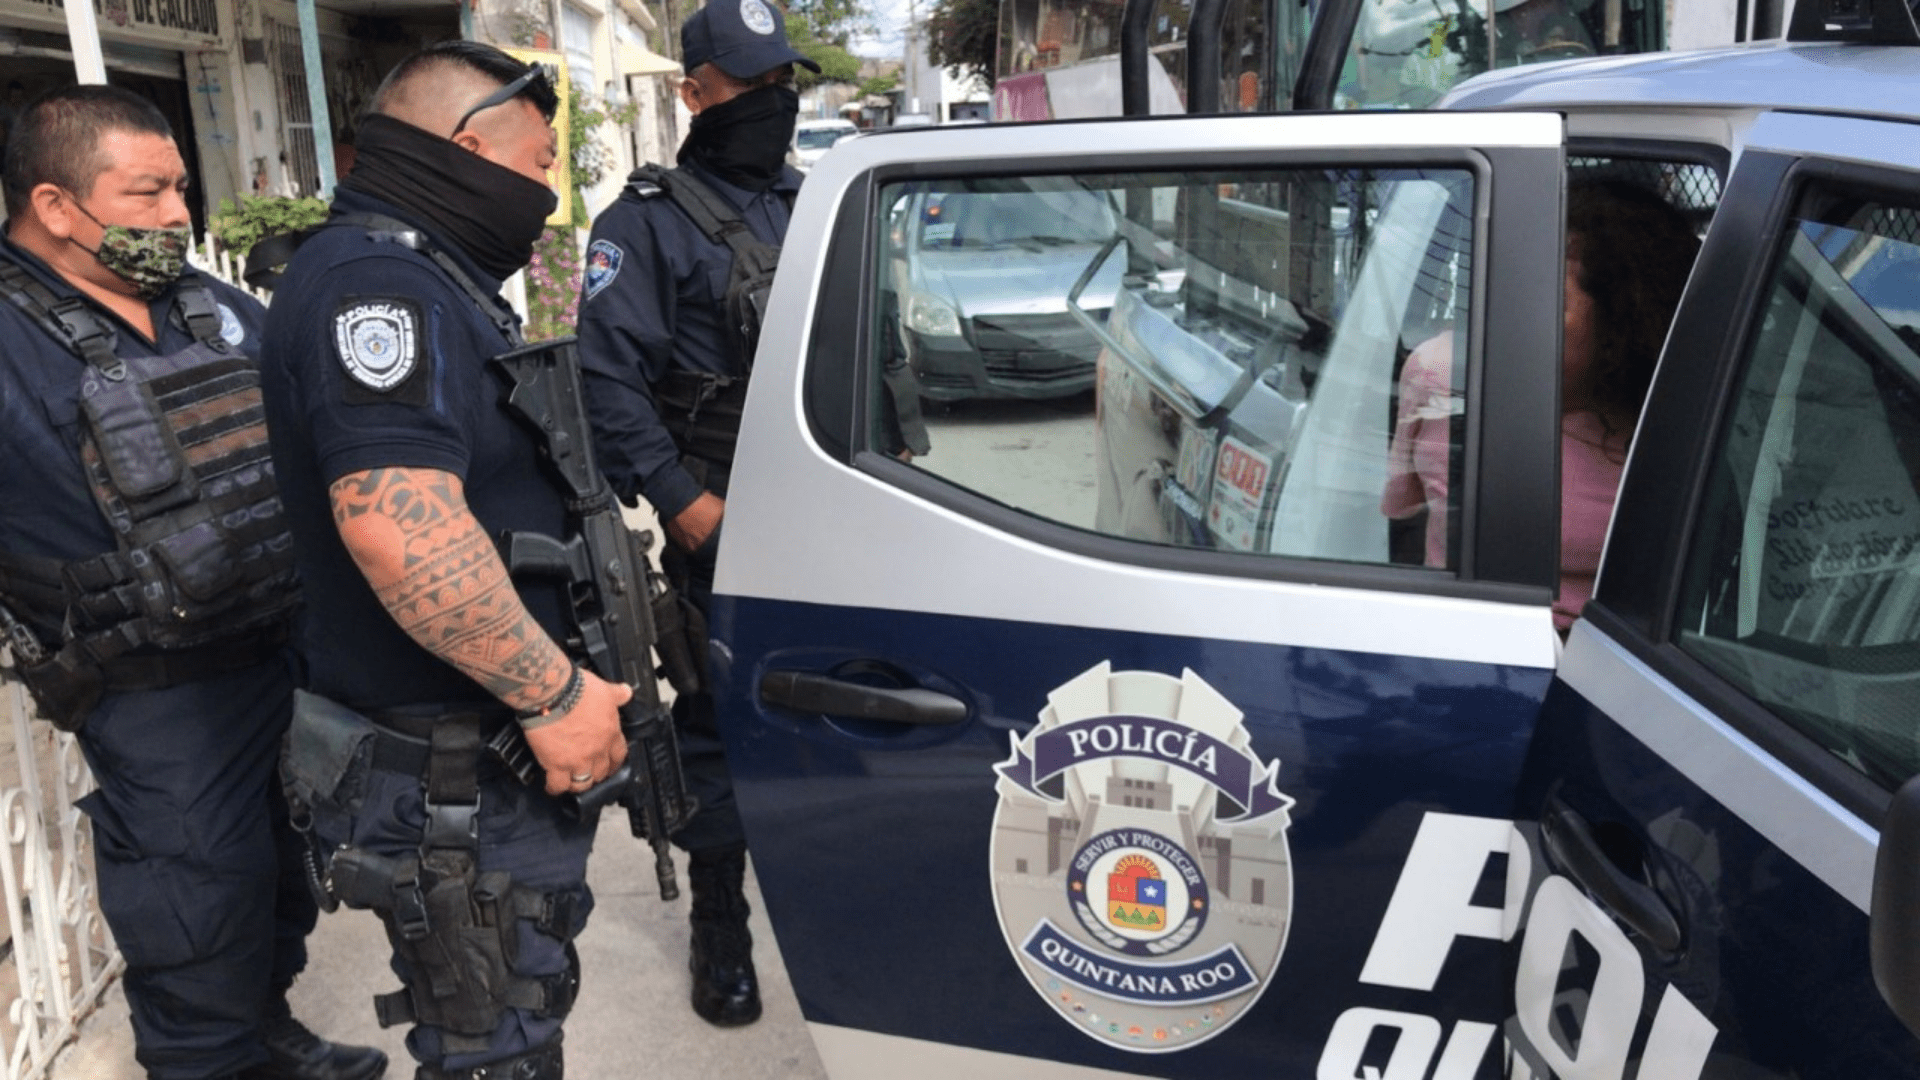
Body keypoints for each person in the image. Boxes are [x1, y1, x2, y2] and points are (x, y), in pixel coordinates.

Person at [257, 42, 630, 1080]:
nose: (548, 191)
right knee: (491, 1042)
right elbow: (398, 525)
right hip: (453, 760)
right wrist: (554, 695)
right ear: (470, 147)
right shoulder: (378, 284)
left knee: (509, 1019)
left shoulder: (428, 273)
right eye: (541, 163)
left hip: (468, 747)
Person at [0, 85, 385, 1080]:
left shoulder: (205, 304)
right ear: (54, 206)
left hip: (279, 654)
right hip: (155, 696)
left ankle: (269, 1035)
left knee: (279, 883)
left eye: (180, 187)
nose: (178, 213)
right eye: (148, 193)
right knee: (195, 919)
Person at [575, 0, 821, 1029]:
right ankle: (721, 918)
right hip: (723, 516)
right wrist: (682, 502)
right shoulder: (645, 223)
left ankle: (835, 888)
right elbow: (606, 379)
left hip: (836, 508)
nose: (770, 102)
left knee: (841, 701)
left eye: (779, 83)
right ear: (693, 93)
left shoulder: (813, 202)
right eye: (746, 86)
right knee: (720, 718)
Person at [1382, 179, 1699, 631]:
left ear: (1622, 323)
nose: (1511, 323)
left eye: (1543, 305)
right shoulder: (1676, 435)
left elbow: (1402, 502)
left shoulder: (1440, 372)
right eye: (1508, 293)